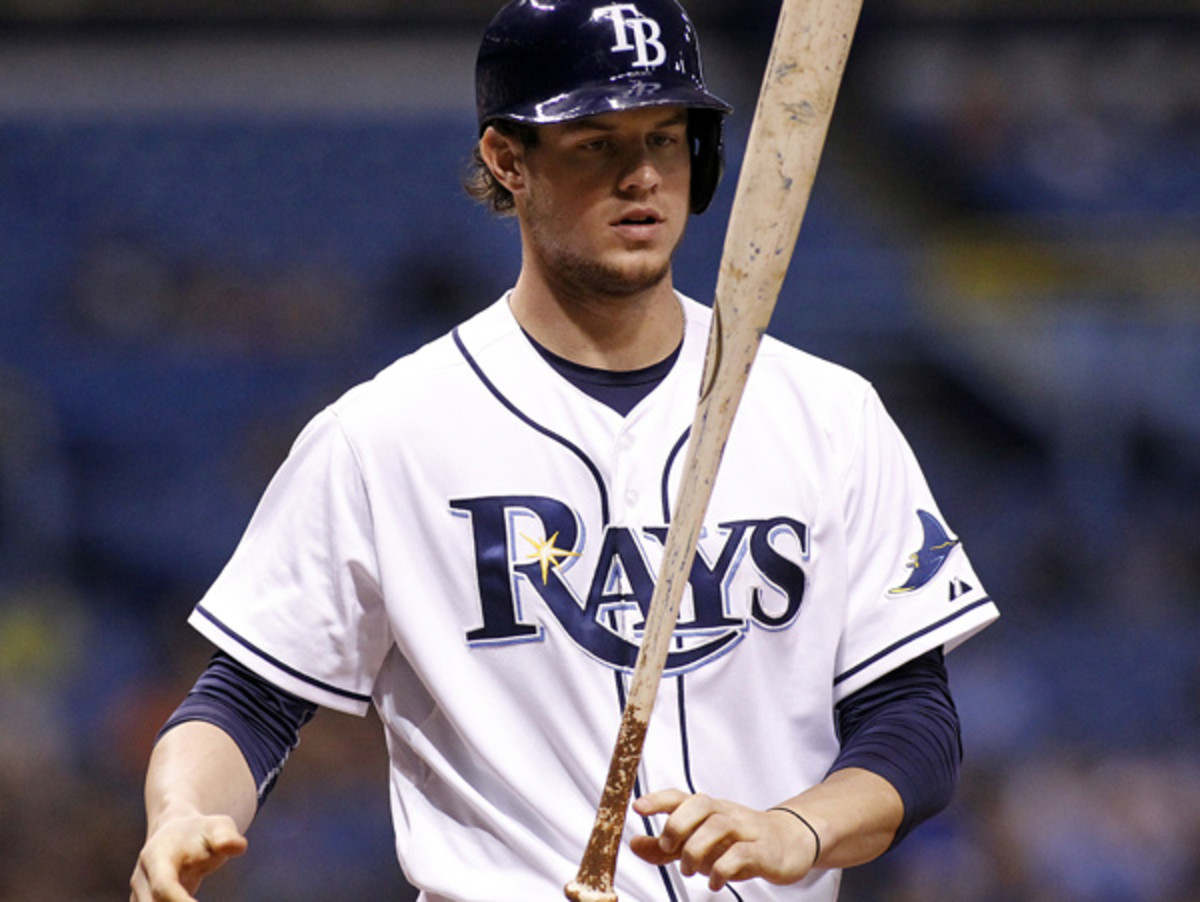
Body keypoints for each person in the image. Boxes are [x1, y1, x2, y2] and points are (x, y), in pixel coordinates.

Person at [130, 1, 999, 900]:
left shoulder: (829, 415)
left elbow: (914, 723)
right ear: (508, 160)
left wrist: (797, 827)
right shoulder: (385, 435)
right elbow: (246, 701)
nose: (642, 177)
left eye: (665, 140)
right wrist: (182, 809)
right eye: (596, 144)